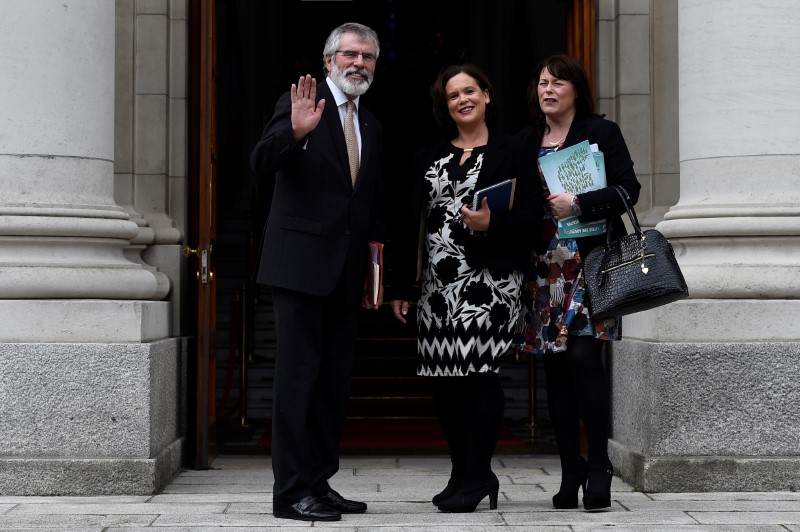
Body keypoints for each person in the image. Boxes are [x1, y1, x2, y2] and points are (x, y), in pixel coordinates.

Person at [387, 64, 543, 513]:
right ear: (446, 105)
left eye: (469, 91)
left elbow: (534, 215)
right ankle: (463, 473)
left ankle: (476, 475)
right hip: (436, 285)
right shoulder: (428, 156)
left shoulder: (512, 151)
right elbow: (409, 224)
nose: (462, 100)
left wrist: (494, 221)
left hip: (490, 284)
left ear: (487, 95)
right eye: (453, 95)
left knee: (477, 375)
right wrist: (403, 286)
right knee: (444, 382)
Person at [249, 22, 384, 522]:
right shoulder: (299, 105)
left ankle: (318, 482)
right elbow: (260, 162)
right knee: (297, 380)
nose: (358, 63)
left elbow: (368, 206)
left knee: (332, 384)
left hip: (346, 275)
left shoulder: (371, 125)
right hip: (299, 270)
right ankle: (289, 493)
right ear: (328, 61)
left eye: (367, 56)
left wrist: (376, 273)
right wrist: (294, 132)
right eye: (348, 54)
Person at [516, 54, 641, 512]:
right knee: (555, 370)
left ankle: (600, 468)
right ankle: (570, 469)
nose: (547, 90)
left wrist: (581, 204)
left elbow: (629, 189)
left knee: (585, 359)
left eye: (558, 82)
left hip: (591, 266)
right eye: (542, 82)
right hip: (544, 269)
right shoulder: (525, 142)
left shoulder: (600, 133)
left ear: (576, 90)